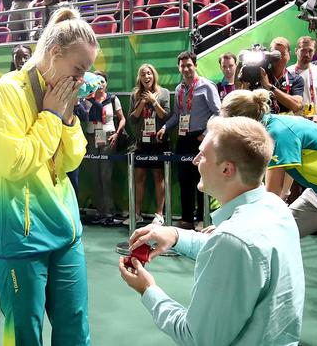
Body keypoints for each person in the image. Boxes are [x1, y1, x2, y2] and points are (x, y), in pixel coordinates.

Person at [119, 116, 304, 345]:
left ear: (227, 169)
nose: (196, 160)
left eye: (203, 155)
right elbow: (232, 251)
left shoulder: (233, 240)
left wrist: (148, 290)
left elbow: (197, 338)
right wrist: (175, 235)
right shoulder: (276, 208)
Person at [0, 7, 96, 345]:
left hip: (66, 232)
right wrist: (49, 116)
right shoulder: (5, 93)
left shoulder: (63, 96)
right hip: (20, 239)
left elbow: (72, 160)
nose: (82, 78)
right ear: (55, 53)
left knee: (76, 330)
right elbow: (14, 163)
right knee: (25, 336)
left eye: (86, 71)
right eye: (78, 69)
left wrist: (68, 116)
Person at [220, 89, 317, 237]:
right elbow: (290, 165)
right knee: (275, 234)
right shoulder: (272, 125)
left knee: (269, 232)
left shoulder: (277, 134)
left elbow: (271, 195)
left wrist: (235, 224)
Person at [157, 51, 220, 229]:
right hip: (184, 139)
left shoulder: (207, 86)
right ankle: (186, 219)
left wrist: (207, 133)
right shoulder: (179, 89)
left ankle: (201, 218)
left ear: (195, 65)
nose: (186, 69)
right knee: (184, 179)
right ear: (179, 68)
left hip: (202, 139)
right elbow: (178, 115)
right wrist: (164, 127)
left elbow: (219, 112)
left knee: (202, 178)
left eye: (189, 65)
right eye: (182, 66)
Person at [128, 64, 170, 226]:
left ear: (154, 75)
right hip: (141, 142)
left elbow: (165, 116)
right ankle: (137, 213)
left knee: (158, 176)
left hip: (158, 142)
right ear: (140, 78)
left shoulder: (164, 93)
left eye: (149, 74)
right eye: (143, 74)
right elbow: (132, 119)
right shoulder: (135, 95)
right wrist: (141, 103)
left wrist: (153, 102)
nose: (146, 77)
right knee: (139, 177)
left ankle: (159, 214)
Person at [84, 72, 125, 224]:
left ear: (106, 83)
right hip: (91, 137)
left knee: (106, 176)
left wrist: (117, 134)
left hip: (108, 138)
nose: (100, 83)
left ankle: (109, 213)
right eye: (96, 81)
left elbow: (122, 119)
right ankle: (99, 211)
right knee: (95, 176)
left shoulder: (113, 99)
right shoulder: (86, 99)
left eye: (102, 81)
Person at [261, 37, 304, 115]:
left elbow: (296, 105)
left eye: (282, 54)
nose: (279, 58)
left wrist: (269, 86)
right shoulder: (261, 75)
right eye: (275, 54)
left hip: (285, 124)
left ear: (289, 55)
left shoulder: (296, 79)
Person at [287, 35, 317, 122]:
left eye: (310, 51)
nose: (306, 54)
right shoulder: (288, 72)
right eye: (303, 50)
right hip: (296, 122)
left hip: (316, 121)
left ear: (314, 52)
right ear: (296, 51)